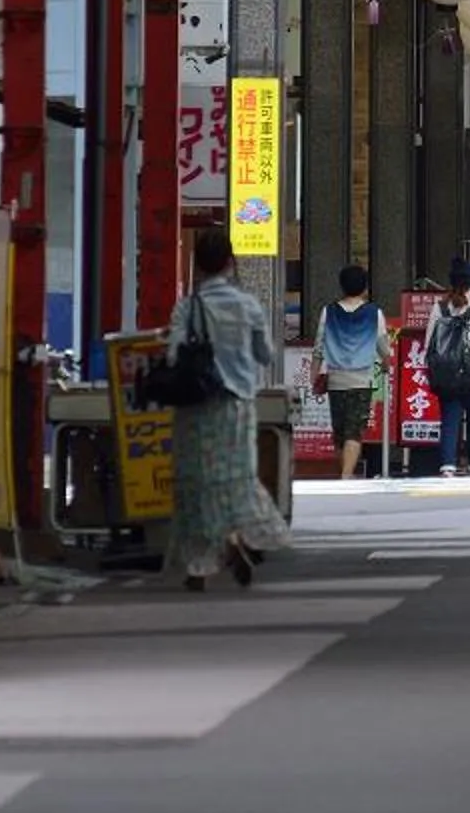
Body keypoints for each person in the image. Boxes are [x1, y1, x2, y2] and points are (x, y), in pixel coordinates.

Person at [164, 234, 292, 588]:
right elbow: (265, 354)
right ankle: (235, 536)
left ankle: (197, 564)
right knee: (235, 477)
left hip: (196, 408)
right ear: (230, 263)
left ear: (200, 265)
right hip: (237, 407)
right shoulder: (247, 305)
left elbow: (173, 355)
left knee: (197, 480)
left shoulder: (188, 307)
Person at [314, 264, 386, 480]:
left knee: (340, 432)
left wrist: (314, 375)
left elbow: (319, 345)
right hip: (361, 379)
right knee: (354, 431)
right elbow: (382, 344)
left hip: (336, 379)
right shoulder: (374, 313)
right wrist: (387, 362)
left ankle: (345, 473)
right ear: (364, 287)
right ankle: (346, 476)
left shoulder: (329, 312)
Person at [423, 259, 470, 478]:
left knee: (449, 419)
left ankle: (447, 466)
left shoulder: (440, 307)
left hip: (446, 373)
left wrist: (430, 369)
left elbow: (429, 343)